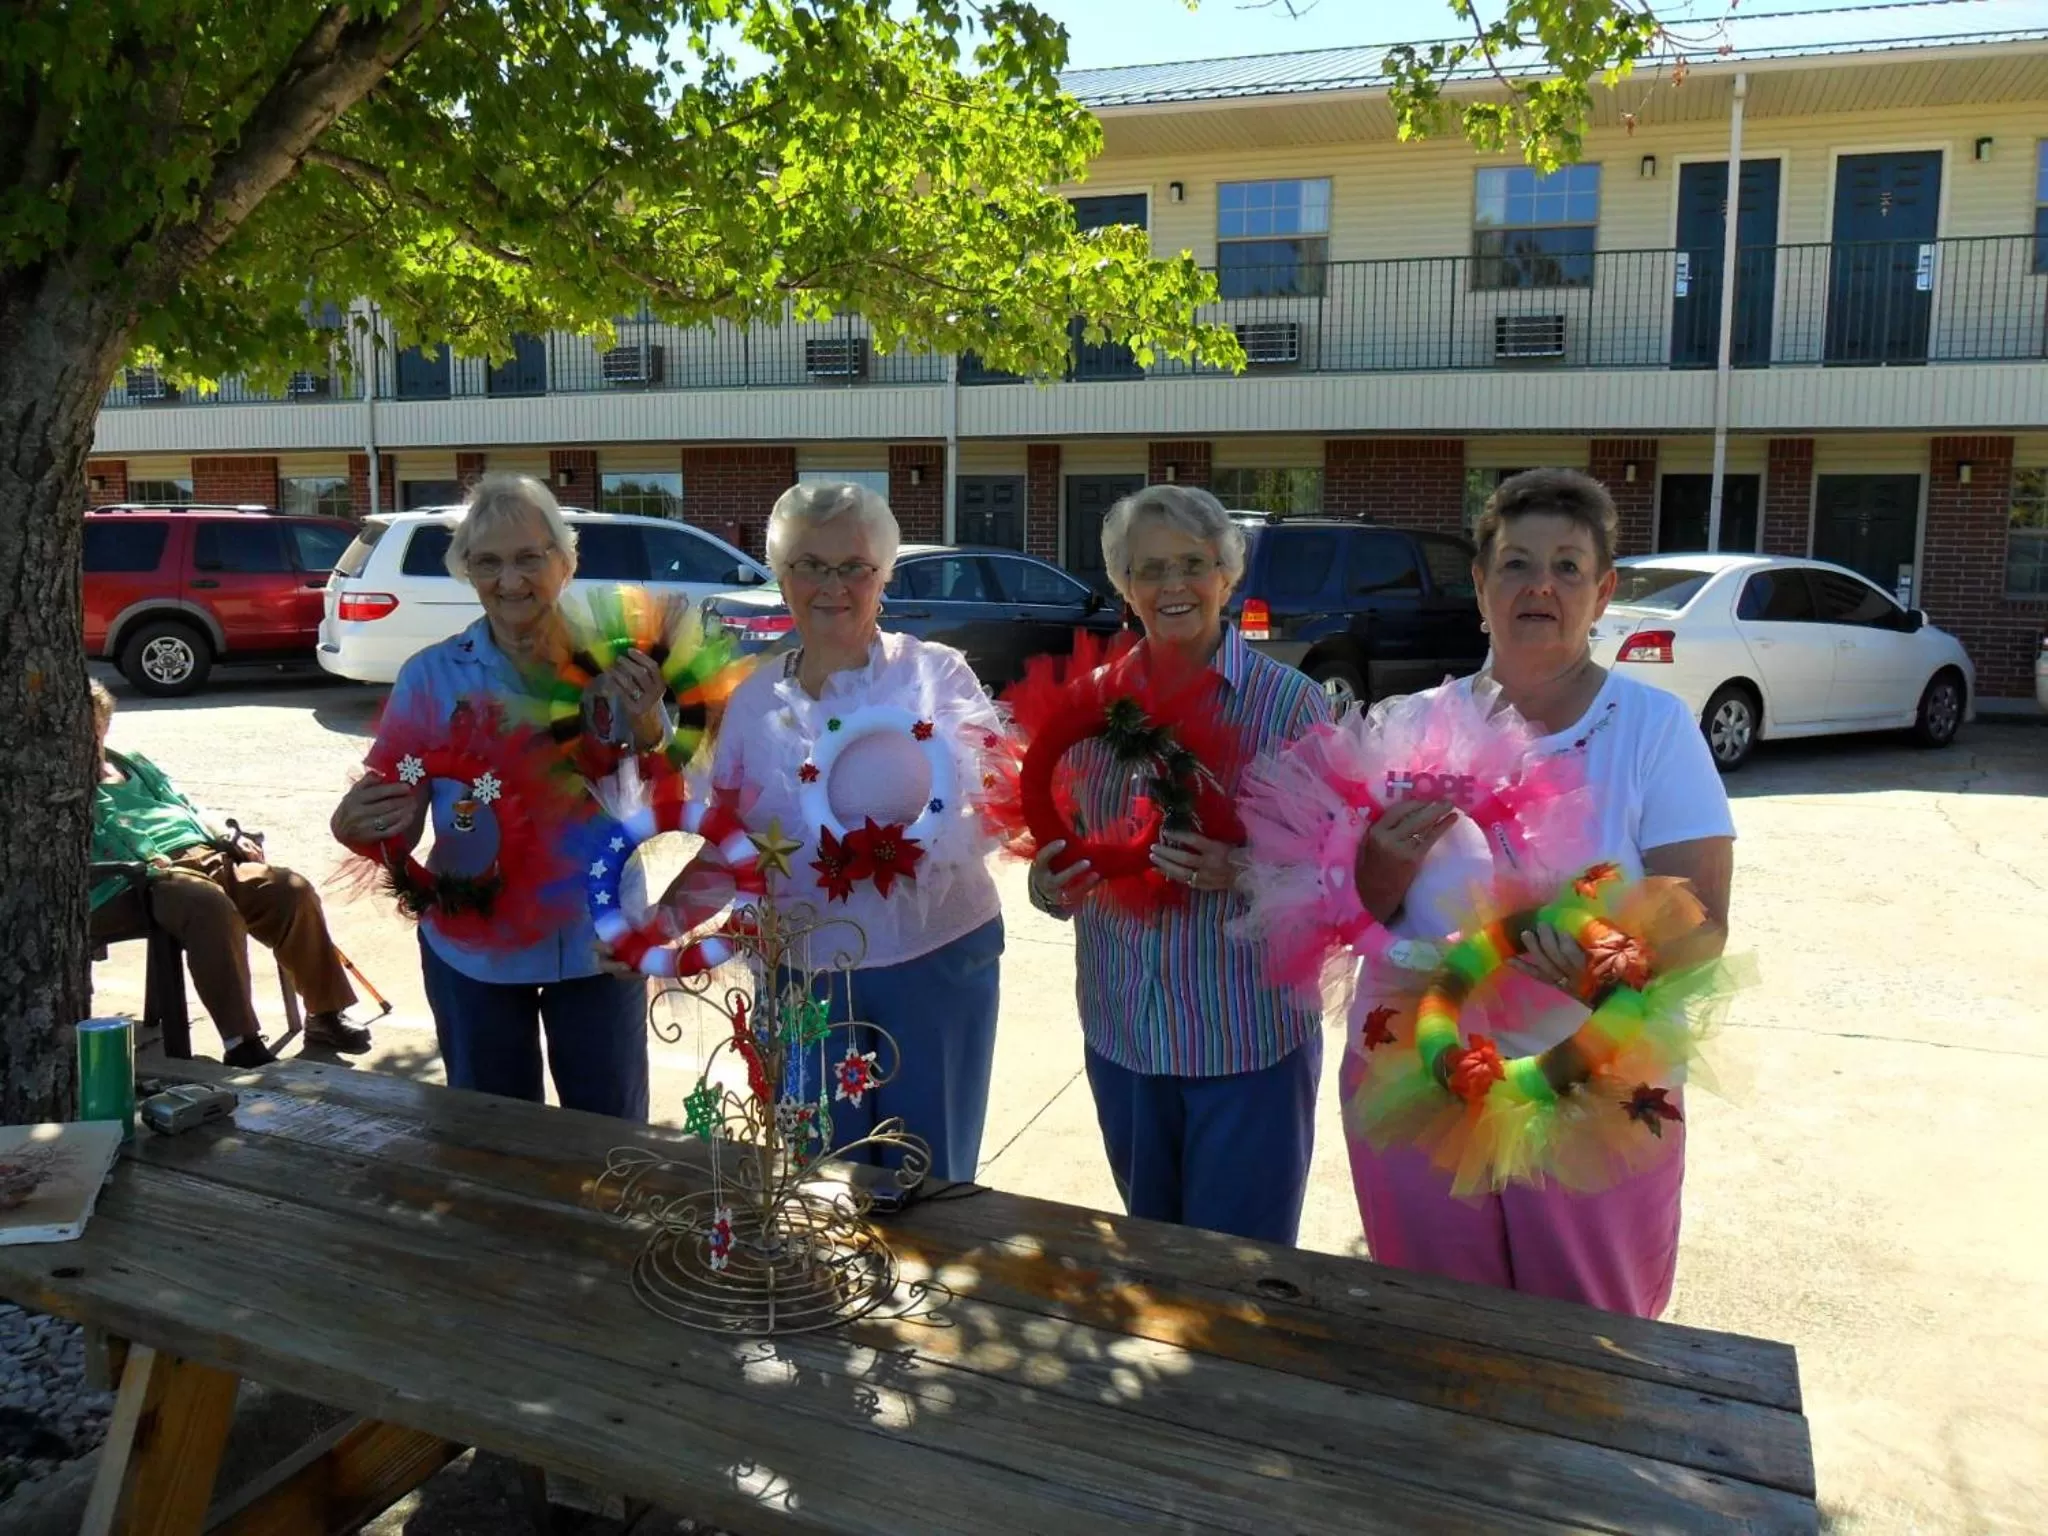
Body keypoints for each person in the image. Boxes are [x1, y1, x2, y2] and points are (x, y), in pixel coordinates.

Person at [1343, 467, 1736, 1318]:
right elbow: (1354, 915)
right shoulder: (1410, 724)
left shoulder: (1652, 731)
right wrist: (1380, 863)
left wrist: (1607, 963)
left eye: (1567, 567)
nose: (1540, 586)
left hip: (1591, 1090)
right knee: (1434, 1322)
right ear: (1480, 586)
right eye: (1516, 565)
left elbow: (1703, 923)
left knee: (1590, 1329)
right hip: (1420, 1079)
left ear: (1602, 593)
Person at [1030, 484, 1331, 1244]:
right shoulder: (1088, 707)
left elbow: (1340, 878)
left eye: (1193, 564)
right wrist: (1046, 885)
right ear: (1123, 588)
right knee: (1153, 1255)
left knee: (1241, 1268)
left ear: (1228, 576)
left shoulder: (1289, 706)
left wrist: (1241, 871)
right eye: (1149, 569)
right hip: (1125, 1035)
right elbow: (1060, 850)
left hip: (1248, 1045)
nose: (1172, 587)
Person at [330, 473, 666, 1120]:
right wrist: (356, 825)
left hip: (599, 937)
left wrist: (650, 722)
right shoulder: (433, 675)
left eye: (528, 558)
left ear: (564, 564)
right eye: (488, 562)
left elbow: (668, 798)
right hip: (474, 943)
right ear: (466, 573)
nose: (510, 581)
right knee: (491, 1137)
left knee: (611, 1136)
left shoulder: (619, 667)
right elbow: (391, 810)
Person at [710, 482, 1004, 1182]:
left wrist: (921, 845)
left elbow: (1000, 800)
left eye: (854, 568)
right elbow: (724, 842)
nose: (831, 586)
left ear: (884, 577)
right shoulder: (752, 700)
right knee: (822, 1177)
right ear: (782, 579)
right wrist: (652, 930)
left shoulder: (935, 676)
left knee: (928, 1176)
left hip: (933, 962)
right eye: (810, 565)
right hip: (804, 972)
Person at [89, 679, 371, 1066]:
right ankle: (241, 1041)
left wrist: (227, 833)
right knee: (209, 907)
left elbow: (185, 803)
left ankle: (325, 1013)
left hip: (202, 854)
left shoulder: (129, 760)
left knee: (290, 891)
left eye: (94, 723)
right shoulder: (53, 782)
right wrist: (154, 863)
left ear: (104, 723)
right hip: (135, 880)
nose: (87, 734)